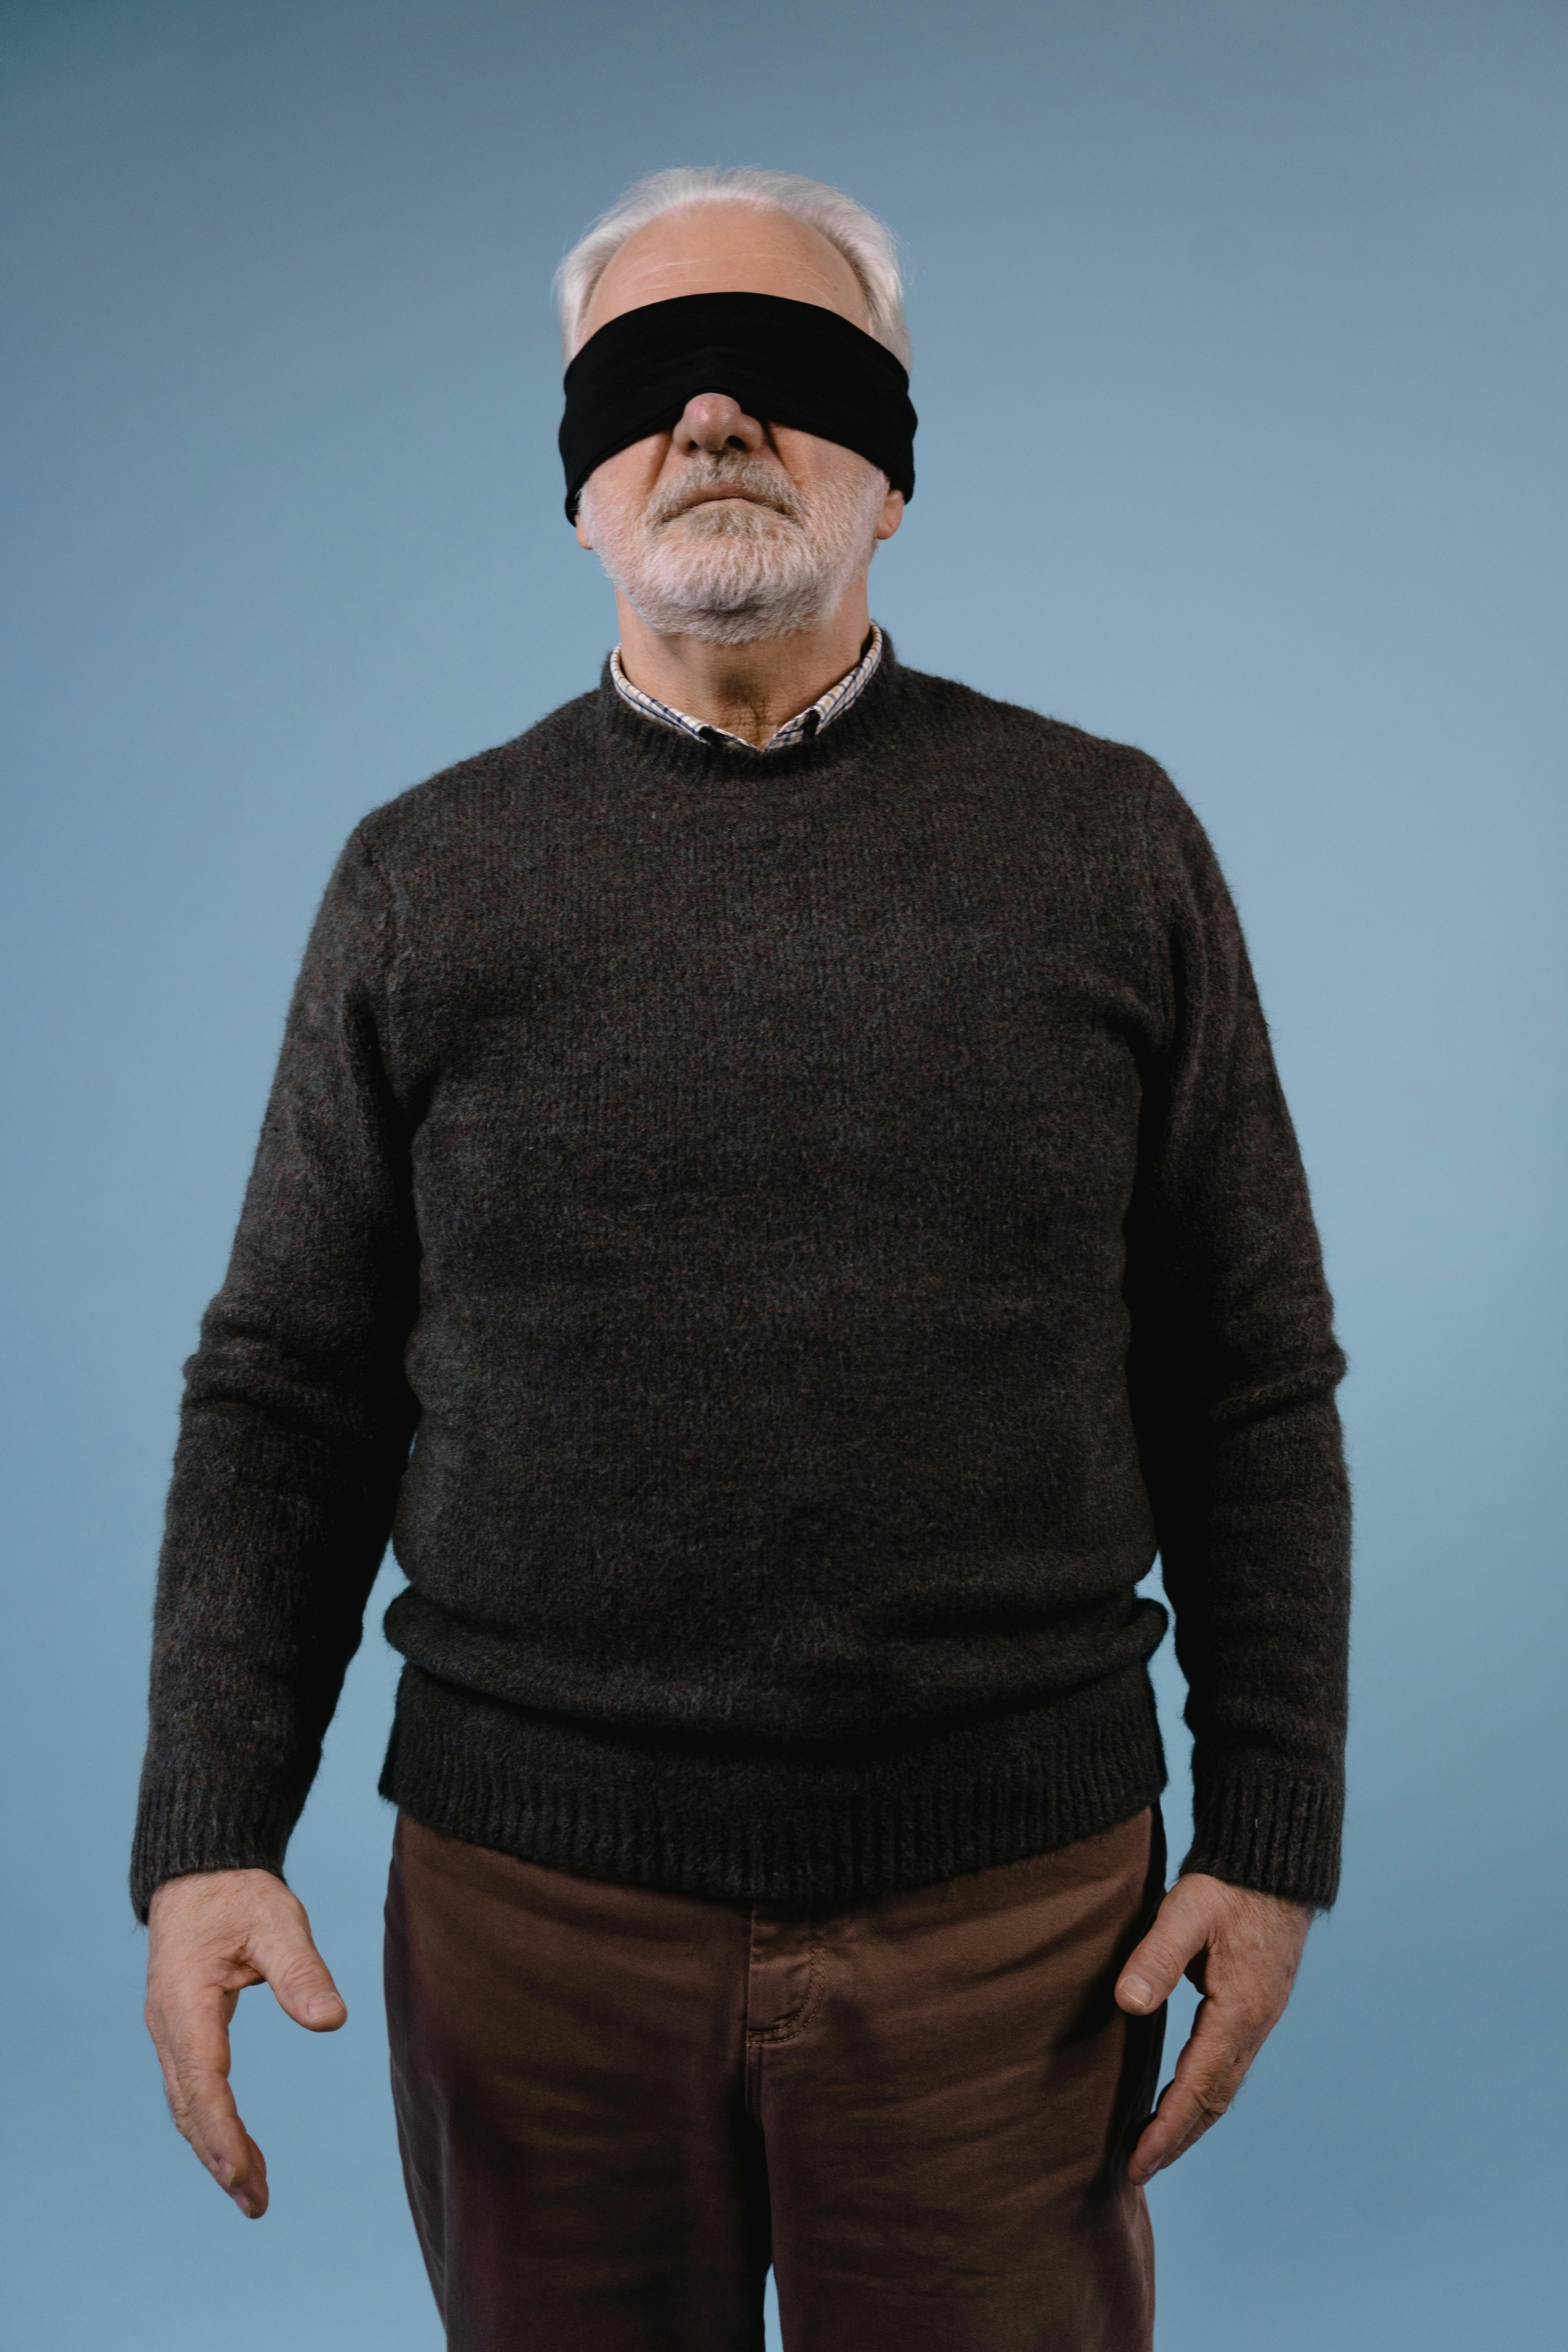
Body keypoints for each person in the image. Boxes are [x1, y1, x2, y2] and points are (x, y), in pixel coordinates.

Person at [133, 166, 1351, 2352]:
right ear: (581, 487)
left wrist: (1271, 1831)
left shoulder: (1107, 842)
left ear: (889, 468)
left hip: (1014, 1924)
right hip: (530, 1927)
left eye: (784, 375)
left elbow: (1244, 1369)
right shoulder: (426, 880)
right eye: (643, 387)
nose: (710, 417)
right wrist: (210, 1831)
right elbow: (289, 1387)